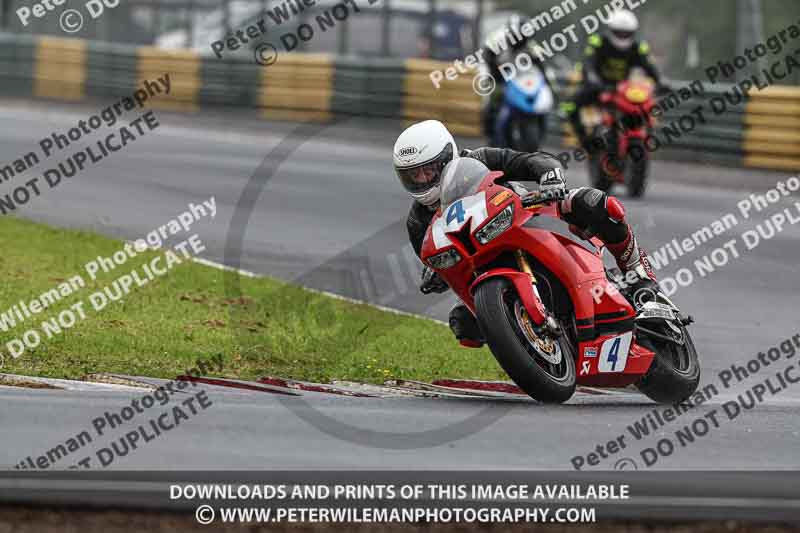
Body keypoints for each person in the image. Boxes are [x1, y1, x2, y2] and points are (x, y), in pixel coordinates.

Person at [393, 119, 658, 346]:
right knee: (463, 324)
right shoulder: (418, 223)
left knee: (593, 203)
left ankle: (641, 277)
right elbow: (437, 264)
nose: (422, 179)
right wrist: (437, 274)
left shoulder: (479, 159)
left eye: (428, 170)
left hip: (531, 218)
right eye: (413, 175)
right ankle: (529, 346)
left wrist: (549, 177)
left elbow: (531, 160)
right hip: (484, 268)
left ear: (447, 156)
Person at [566, 9, 664, 150]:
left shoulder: (638, 46)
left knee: (645, 107)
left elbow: (649, 66)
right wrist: (592, 79)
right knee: (570, 106)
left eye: (626, 33)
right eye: (619, 32)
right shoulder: (598, 41)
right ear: (611, 29)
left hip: (623, 89)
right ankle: (585, 140)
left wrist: (659, 81)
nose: (622, 36)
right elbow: (588, 63)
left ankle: (647, 137)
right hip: (598, 86)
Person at [482, 15, 553, 147]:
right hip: (497, 70)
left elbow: (541, 66)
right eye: (517, 38)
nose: (519, 41)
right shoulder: (497, 40)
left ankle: (540, 124)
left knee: (543, 93)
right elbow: (487, 57)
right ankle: (490, 133)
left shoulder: (531, 46)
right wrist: (497, 74)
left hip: (518, 73)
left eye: (523, 38)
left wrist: (548, 84)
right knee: (493, 95)